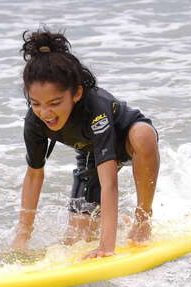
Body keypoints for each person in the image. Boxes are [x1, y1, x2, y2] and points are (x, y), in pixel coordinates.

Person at [11, 27, 160, 259]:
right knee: (77, 241)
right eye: (36, 103)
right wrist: (22, 236)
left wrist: (106, 246)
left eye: (55, 102)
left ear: (77, 93)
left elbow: (109, 181)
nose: (45, 112)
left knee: (143, 136)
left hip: (125, 137)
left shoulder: (95, 110)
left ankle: (142, 218)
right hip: (91, 152)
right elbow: (34, 175)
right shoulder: (34, 121)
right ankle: (120, 222)